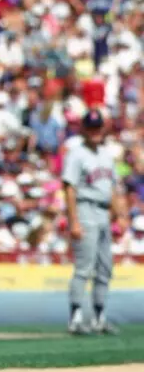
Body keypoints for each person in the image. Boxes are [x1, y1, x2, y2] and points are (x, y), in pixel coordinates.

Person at [62, 109, 120, 335]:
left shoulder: (106, 154)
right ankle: (75, 317)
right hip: (85, 209)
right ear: (84, 129)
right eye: (91, 127)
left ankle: (99, 316)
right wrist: (73, 221)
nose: (95, 131)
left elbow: (112, 187)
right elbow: (69, 188)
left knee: (105, 267)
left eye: (98, 127)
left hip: (104, 211)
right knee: (84, 267)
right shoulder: (76, 154)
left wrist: (119, 214)